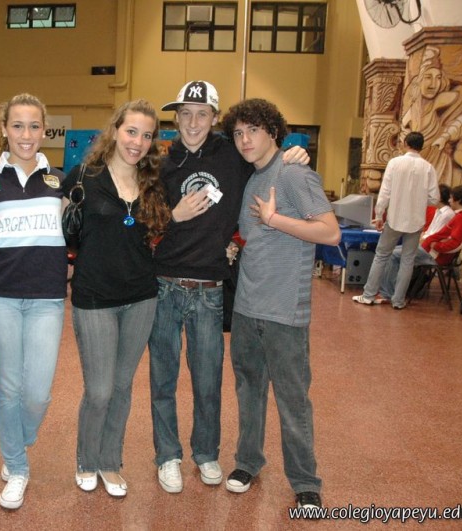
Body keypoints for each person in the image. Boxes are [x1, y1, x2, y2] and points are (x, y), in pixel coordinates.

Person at [148, 80, 308, 493]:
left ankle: (205, 453)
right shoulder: (161, 164)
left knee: (208, 381)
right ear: (176, 119)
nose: (193, 122)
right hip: (164, 286)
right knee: (162, 378)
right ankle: (167, 455)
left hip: (209, 288)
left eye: (202, 114)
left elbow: (267, 160)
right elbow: (143, 222)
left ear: (214, 118)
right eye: (185, 114)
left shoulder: (233, 156)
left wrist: (292, 152)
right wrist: (174, 215)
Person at [221, 98, 340, 510]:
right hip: (247, 306)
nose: (245, 140)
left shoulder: (293, 173)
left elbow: (330, 232)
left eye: (253, 130)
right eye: (238, 133)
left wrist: (275, 220)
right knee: (249, 391)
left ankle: (305, 481)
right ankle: (247, 462)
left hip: (284, 311)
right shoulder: (251, 177)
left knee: (292, 399)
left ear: (273, 131)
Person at [63, 100, 171, 498]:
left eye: (146, 135)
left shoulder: (153, 181)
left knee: (123, 387)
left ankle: (110, 462)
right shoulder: (84, 176)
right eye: (131, 131)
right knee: (100, 390)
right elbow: (57, 227)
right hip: (94, 297)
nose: (137, 142)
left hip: (141, 297)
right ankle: (86, 460)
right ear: (115, 130)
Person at [0, 93, 67, 510]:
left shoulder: (60, 180)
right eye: (17, 126)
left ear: (44, 130)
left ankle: (18, 438)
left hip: (47, 298)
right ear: (4, 129)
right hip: (0, 298)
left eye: (33, 126)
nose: (26, 135)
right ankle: (16, 466)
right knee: (8, 388)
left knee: (38, 393)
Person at [353, 131, 439, 309]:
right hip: (416, 220)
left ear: (405, 144)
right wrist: (419, 200)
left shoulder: (395, 163)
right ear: (421, 146)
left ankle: (368, 295)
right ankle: (398, 301)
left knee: (381, 256)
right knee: (408, 260)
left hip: (395, 218)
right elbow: (434, 199)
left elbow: (385, 192)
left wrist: (379, 215)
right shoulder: (428, 168)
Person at [376, 185, 462, 301]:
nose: (449, 201)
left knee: (392, 255)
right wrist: (431, 242)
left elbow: (455, 243)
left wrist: (436, 245)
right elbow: (442, 235)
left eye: (451, 198)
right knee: (392, 252)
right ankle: (390, 290)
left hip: (435, 254)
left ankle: (387, 293)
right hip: (431, 249)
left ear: (458, 200)